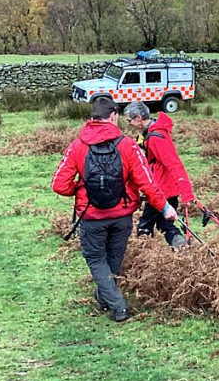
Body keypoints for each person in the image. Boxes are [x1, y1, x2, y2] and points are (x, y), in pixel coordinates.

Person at [52, 96, 177, 322]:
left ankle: (115, 304)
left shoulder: (78, 146)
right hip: (122, 216)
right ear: (113, 116)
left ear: (92, 118)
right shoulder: (128, 145)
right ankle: (110, 300)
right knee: (113, 259)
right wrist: (165, 207)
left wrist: (81, 189)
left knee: (96, 260)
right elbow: (147, 182)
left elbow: (59, 184)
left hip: (91, 216)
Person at [123, 101, 196, 249]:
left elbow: (174, 164)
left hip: (160, 191)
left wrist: (187, 193)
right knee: (165, 224)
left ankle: (144, 255)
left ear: (139, 118)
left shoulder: (155, 138)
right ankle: (182, 247)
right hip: (169, 189)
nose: (128, 124)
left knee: (145, 227)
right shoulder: (153, 132)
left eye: (129, 120)